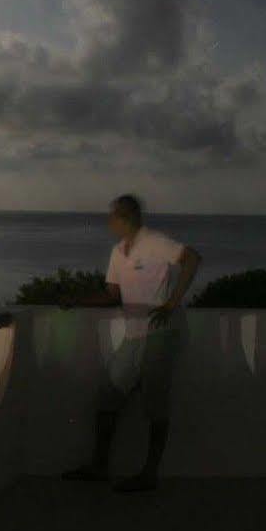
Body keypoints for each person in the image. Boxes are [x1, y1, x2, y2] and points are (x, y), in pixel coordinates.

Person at [62, 194, 202, 492]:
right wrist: (76, 300)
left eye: (114, 216)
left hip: (158, 336)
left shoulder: (155, 241)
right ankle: (100, 467)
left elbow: (192, 259)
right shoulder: (117, 252)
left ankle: (149, 475)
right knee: (107, 399)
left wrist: (171, 304)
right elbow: (112, 294)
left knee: (155, 406)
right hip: (132, 335)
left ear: (126, 217)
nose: (110, 221)